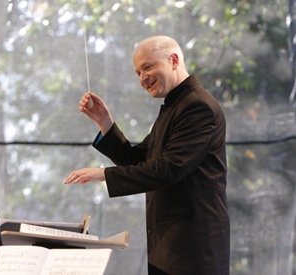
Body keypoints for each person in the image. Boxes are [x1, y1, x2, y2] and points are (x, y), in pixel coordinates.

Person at [64, 35, 230, 275]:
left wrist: (102, 174)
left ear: (173, 60)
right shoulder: (175, 107)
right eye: (137, 73)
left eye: (148, 67)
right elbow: (139, 160)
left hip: (192, 252)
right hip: (169, 249)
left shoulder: (197, 106)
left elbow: (167, 170)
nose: (143, 78)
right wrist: (106, 124)